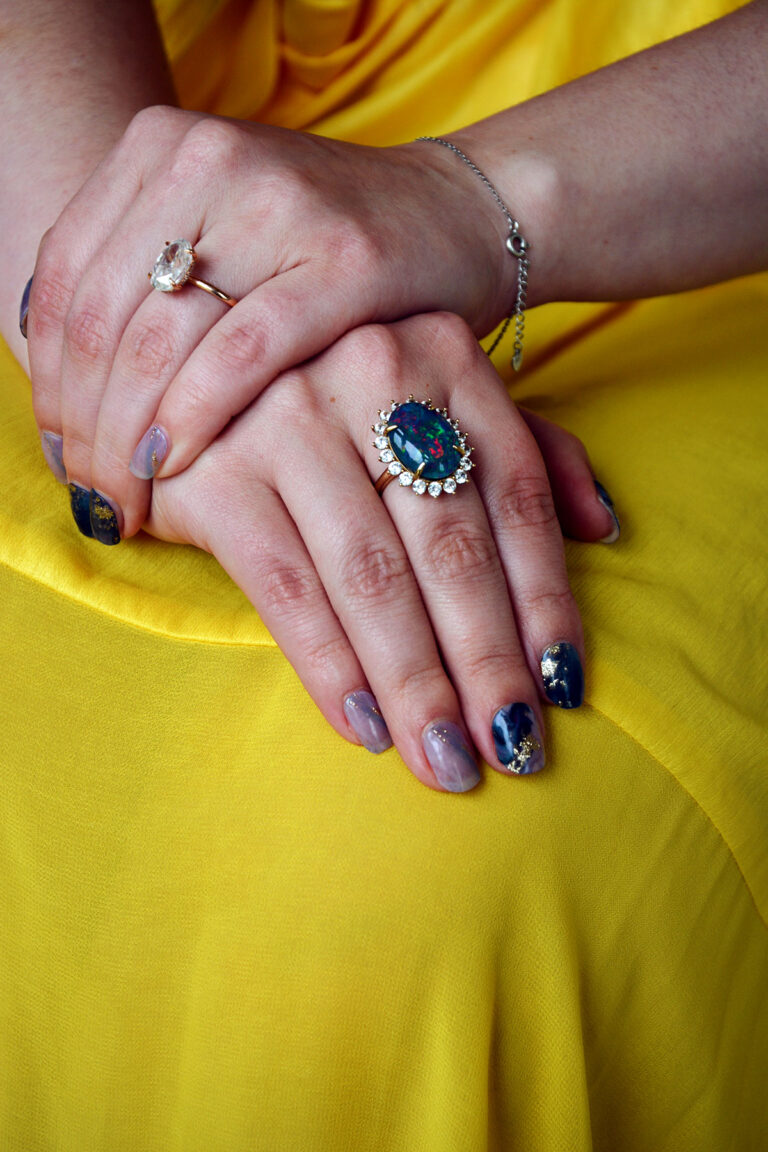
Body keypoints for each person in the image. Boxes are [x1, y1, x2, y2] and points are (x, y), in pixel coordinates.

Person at [1, 0, 766, 1147]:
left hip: (690, 177)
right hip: (98, 145)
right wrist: (126, 308)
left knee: (437, 878)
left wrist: (472, 201)